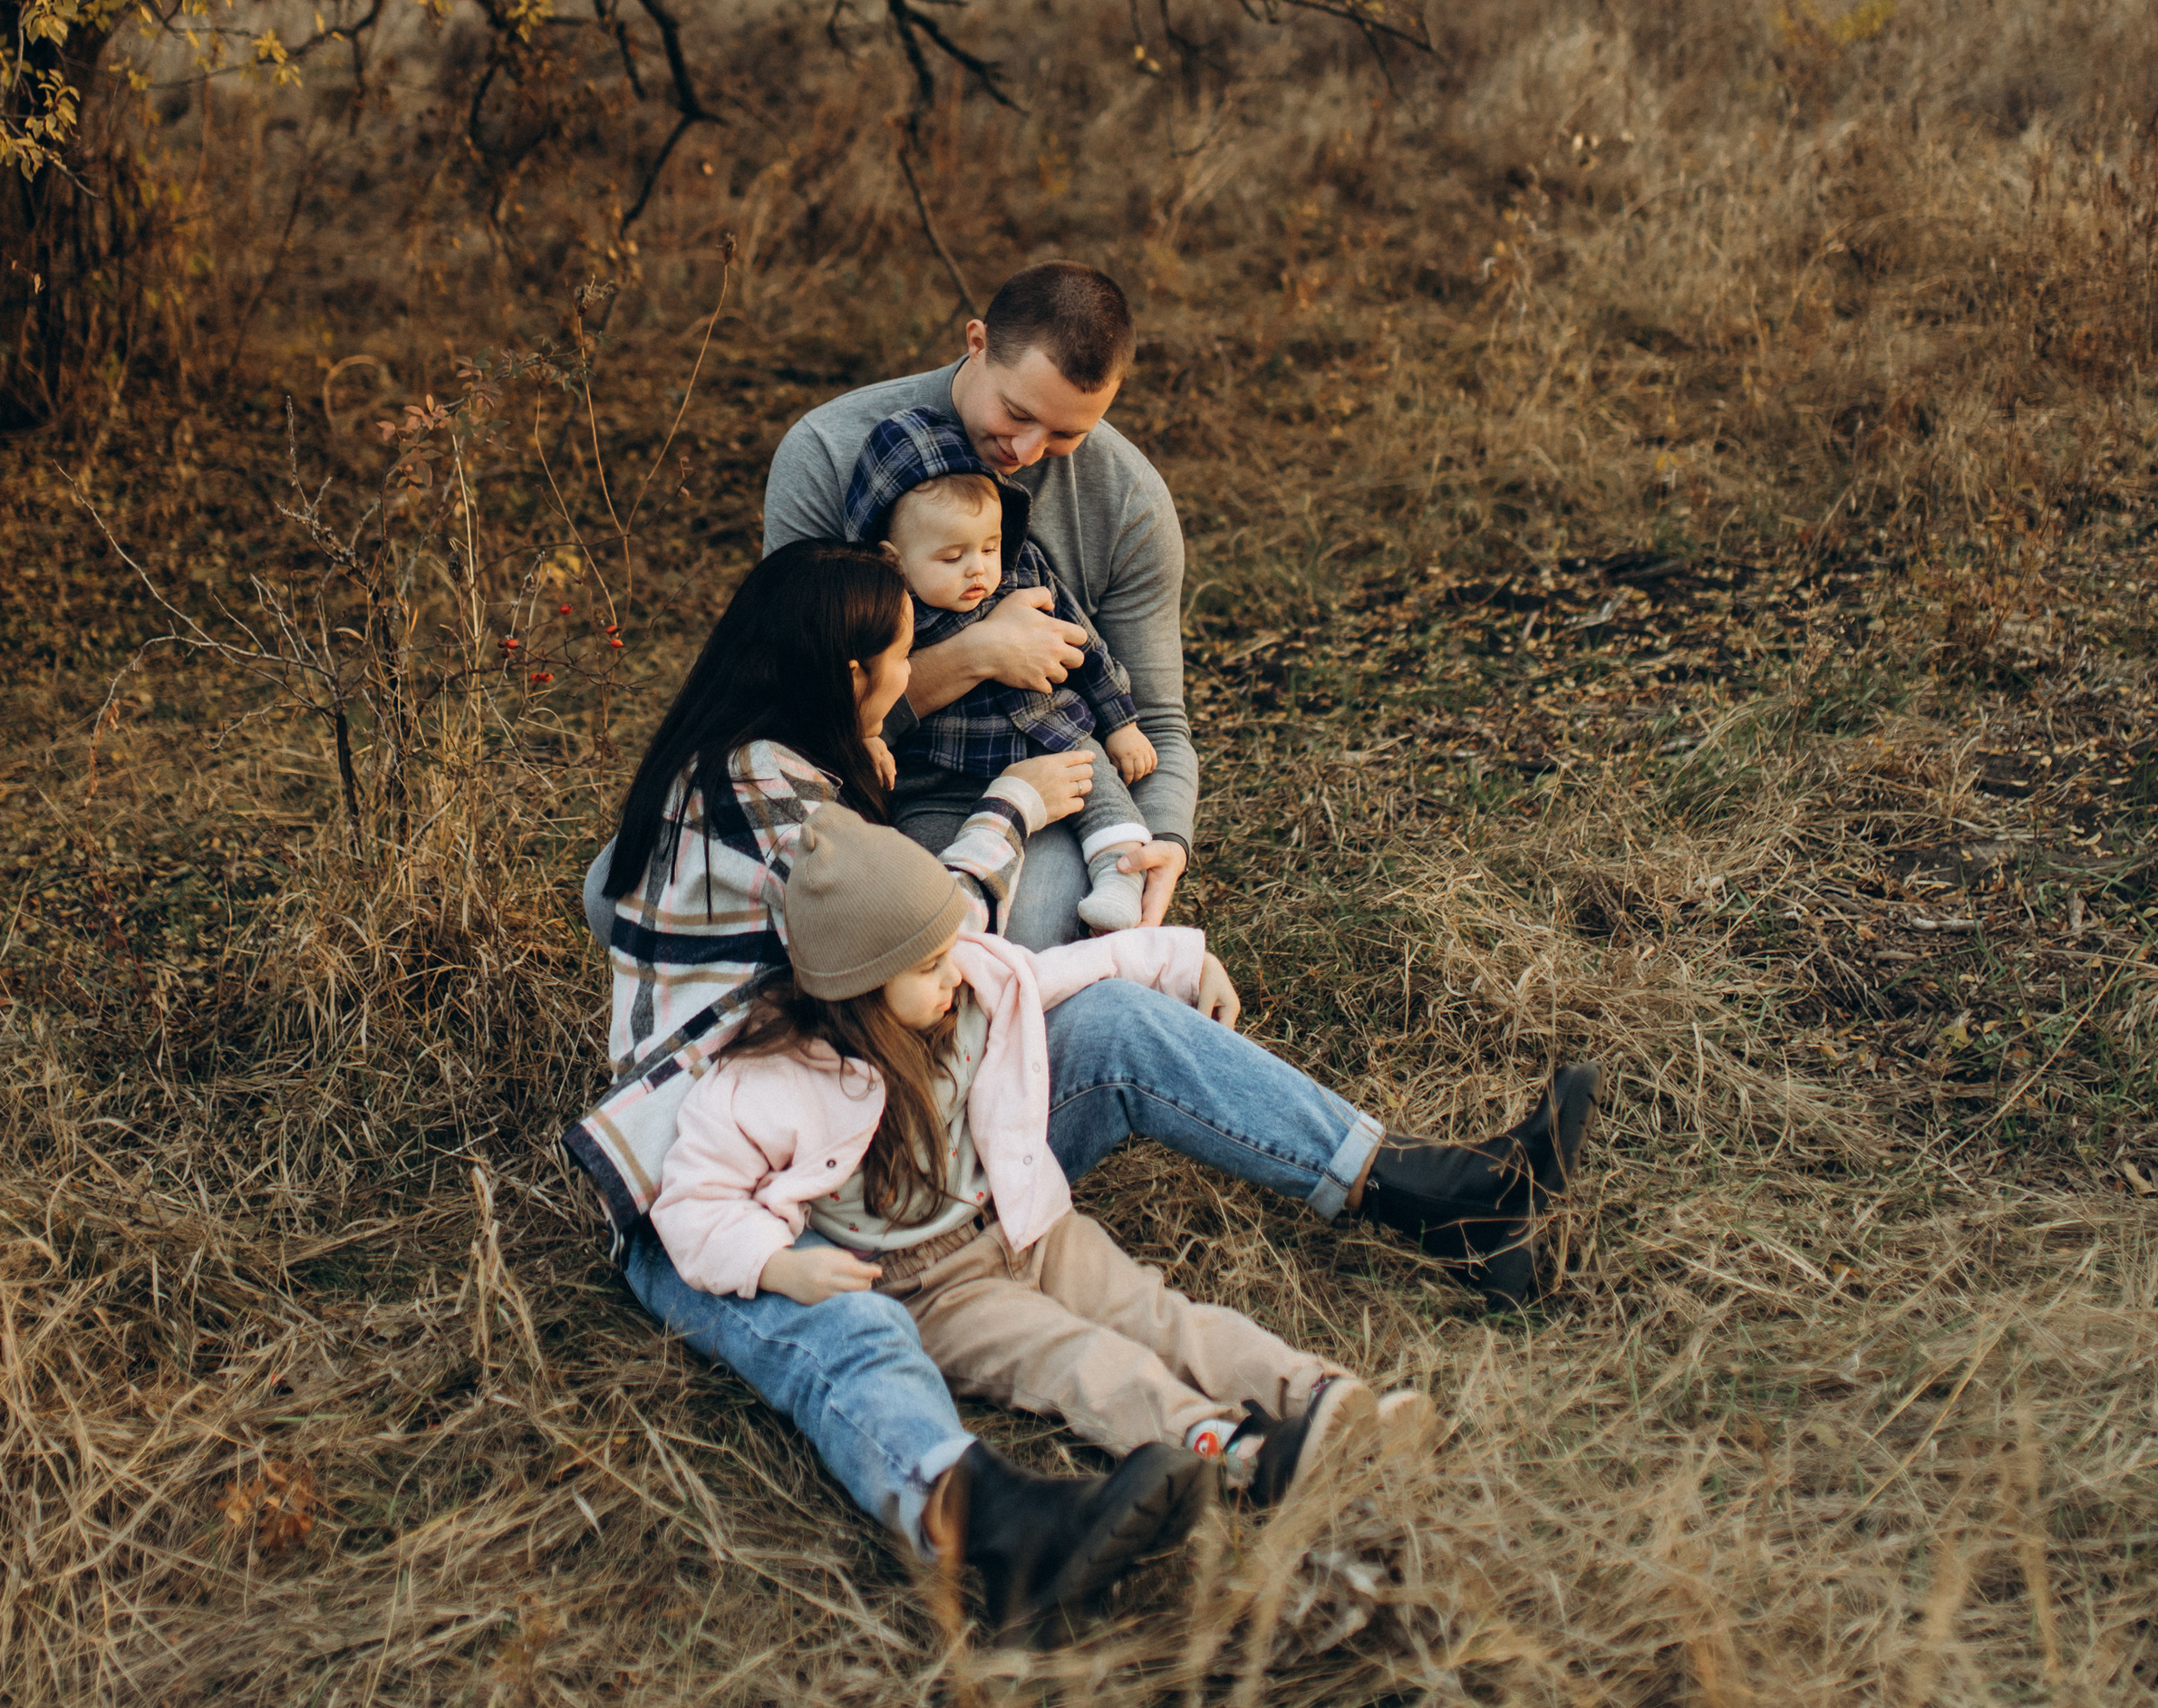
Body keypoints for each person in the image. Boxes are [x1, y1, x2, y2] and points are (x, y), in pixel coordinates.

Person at [569, 545, 1599, 1614]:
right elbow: (938, 939)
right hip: (740, 1187)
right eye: (898, 653)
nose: (911, 667)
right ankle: (992, 1534)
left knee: (1114, 1022)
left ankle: (1442, 1197)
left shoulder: (780, 763)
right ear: (846, 674)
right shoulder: (774, 804)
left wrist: (1154, 948)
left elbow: (933, 978)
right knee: (853, 1329)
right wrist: (1010, 805)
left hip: (893, 1137)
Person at [654, 801, 1437, 1582]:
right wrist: (777, 1265)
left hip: (1028, 1226)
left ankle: (1319, 1398)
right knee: (1080, 1361)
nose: (953, 970)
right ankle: (1239, 1454)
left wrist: (1182, 960)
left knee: (1154, 1310)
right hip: (934, 1291)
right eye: (927, 966)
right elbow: (693, 1200)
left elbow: (1069, 969)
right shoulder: (771, 1081)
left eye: (949, 950)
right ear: (858, 985)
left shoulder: (971, 982)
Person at [762, 258, 1187, 949]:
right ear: (977, 342)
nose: (1026, 450)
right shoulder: (828, 453)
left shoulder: (1130, 501)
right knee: (625, 889)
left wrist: (1163, 838)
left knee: (1010, 929)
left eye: (1066, 434)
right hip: (853, 779)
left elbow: (1159, 722)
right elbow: (787, 704)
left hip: (1043, 794)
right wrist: (977, 654)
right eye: (1017, 413)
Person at [845, 406, 1157, 930]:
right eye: (951, 558)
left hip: (1051, 737)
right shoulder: (884, 609)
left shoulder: (1023, 569)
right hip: (939, 778)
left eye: (989, 547)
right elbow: (859, 686)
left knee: (1097, 783)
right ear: (893, 557)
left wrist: (1121, 723)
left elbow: (1089, 648)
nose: (979, 568)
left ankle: (1121, 877)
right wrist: (869, 732)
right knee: (928, 869)